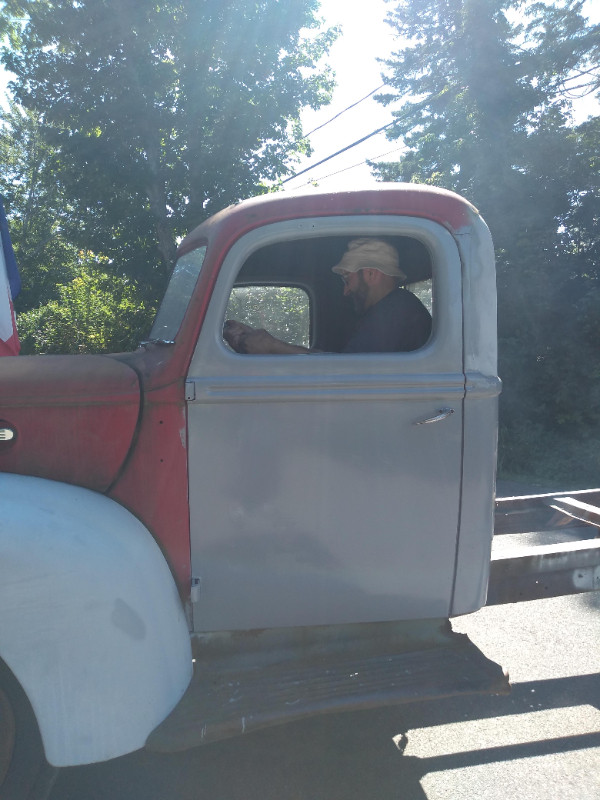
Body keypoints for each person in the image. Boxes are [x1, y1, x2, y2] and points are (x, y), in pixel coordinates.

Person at [223, 238, 432, 355]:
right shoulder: (390, 309)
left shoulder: (395, 310)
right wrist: (258, 342)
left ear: (370, 273)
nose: (345, 291)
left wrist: (273, 346)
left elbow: (346, 372)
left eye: (347, 279)